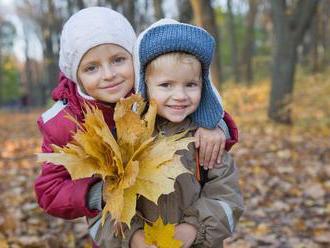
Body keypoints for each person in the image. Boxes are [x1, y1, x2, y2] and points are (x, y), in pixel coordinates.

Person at [34, 7, 238, 247]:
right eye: (91, 67)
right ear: (75, 74)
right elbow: (52, 191)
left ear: (137, 62)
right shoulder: (65, 123)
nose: (109, 75)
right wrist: (102, 196)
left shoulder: (155, 98)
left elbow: (193, 95)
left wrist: (216, 126)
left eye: (119, 60)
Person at [89, 19, 244, 248]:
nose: (180, 95)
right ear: (145, 86)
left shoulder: (206, 140)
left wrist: (194, 228)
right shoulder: (124, 140)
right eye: (166, 85)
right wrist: (133, 239)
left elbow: (227, 197)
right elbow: (102, 206)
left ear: (204, 86)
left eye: (190, 84)